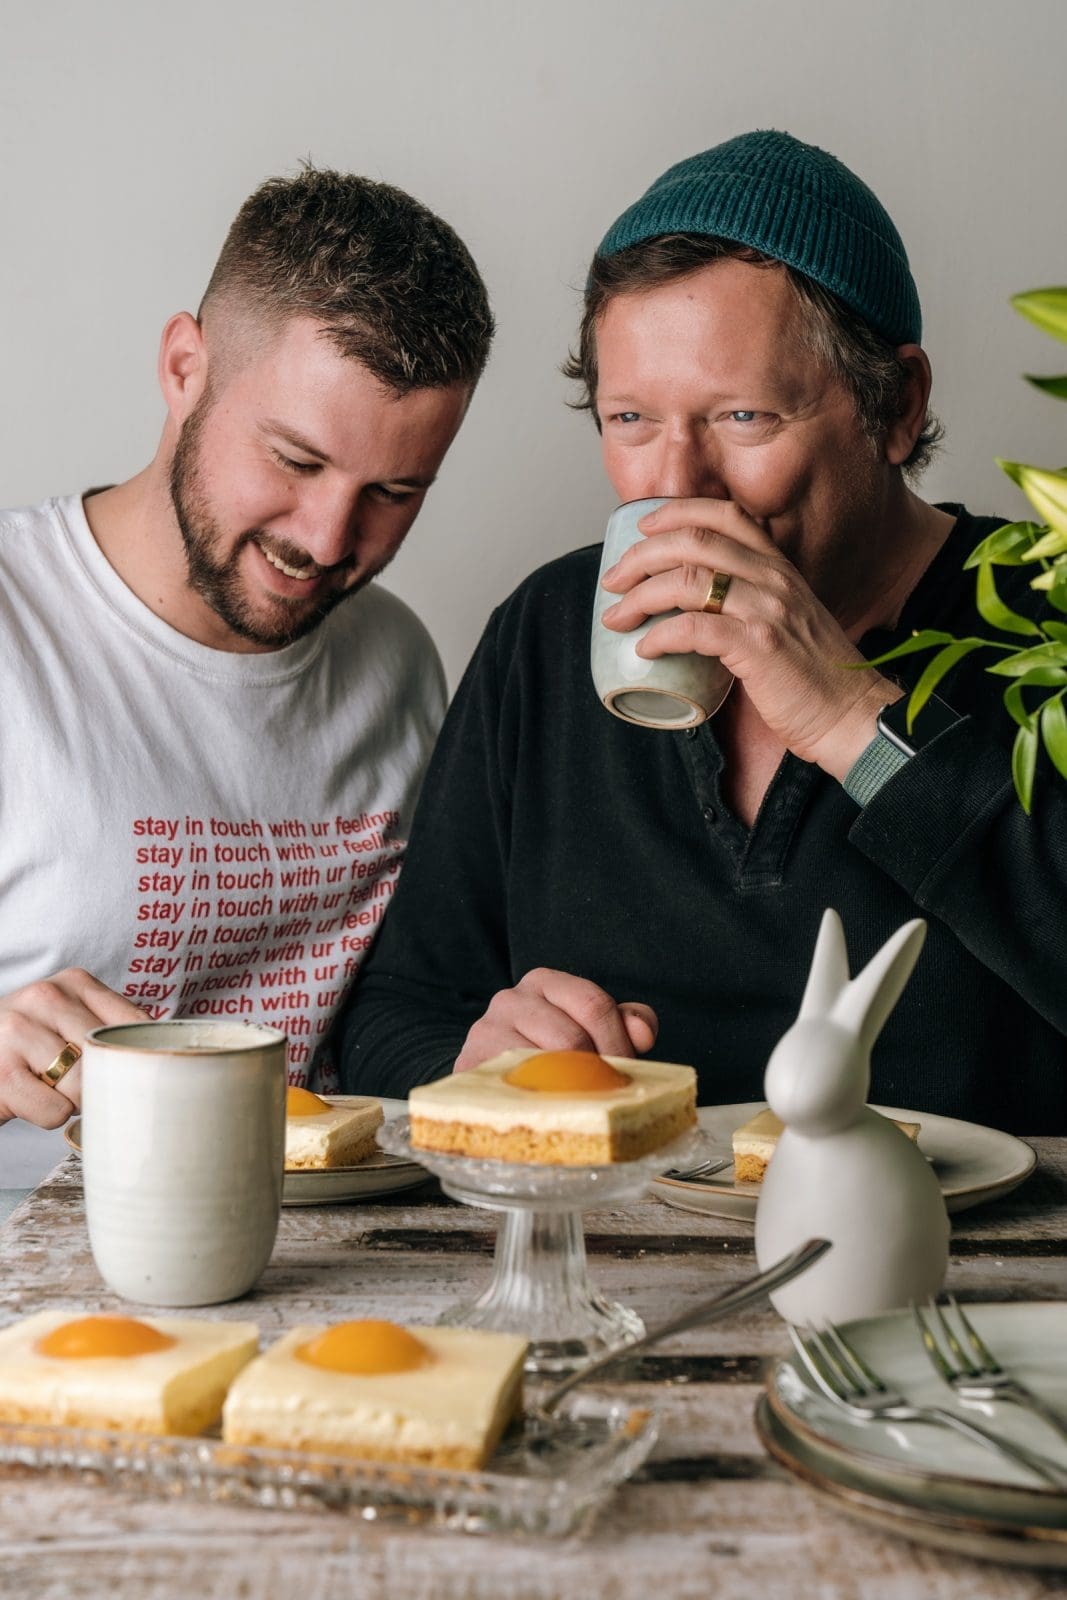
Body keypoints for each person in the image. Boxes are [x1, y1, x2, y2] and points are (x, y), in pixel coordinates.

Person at [336, 130, 1067, 1134]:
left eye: (741, 416)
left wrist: (855, 719)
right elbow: (393, 1016)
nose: (675, 485)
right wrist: (471, 1058)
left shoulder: (1040, 616)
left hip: (979, 1273)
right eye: (630, 419)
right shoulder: (546, 636)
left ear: (895, 409)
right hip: (615, 1266)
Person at [0, 166, 494, 1129]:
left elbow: (402, 1007)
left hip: (326, 1262)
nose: (325, 538)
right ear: (185, 366)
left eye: (395, 493)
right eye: (295, 460)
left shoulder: (396, 660)